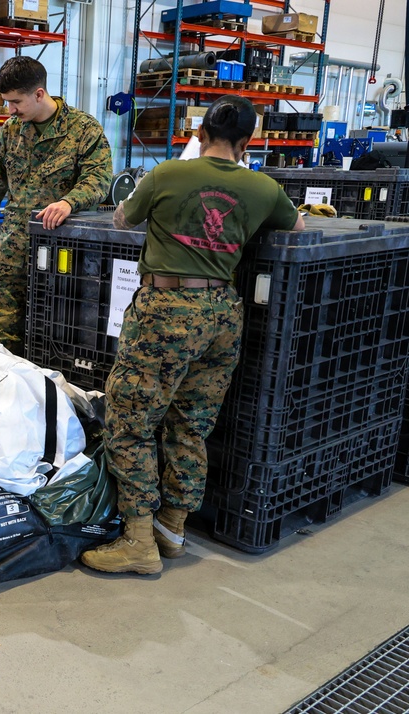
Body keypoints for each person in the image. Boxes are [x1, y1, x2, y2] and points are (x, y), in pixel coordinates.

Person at [80, 96, 305, 575]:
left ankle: (138, 541)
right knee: (191, 423)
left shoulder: (165, 175)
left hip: (166, 309)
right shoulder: (263, 188)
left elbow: (124, 219)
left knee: (131, 421)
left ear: (198, 134)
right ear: (247, 144)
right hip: (223, 313)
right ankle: (173, 528)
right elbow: (299, 224)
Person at [0, 56, 113, 355]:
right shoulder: (9, 132)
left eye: (16, 102)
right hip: (15, 239)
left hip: (64, 242)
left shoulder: (83, 129)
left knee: (60, 312)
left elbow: (99, 179)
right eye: (7, 102)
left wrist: (69, 201)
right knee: (4, 309)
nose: (11, 110)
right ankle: (15, 369)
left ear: (39, 94)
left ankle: (55, 370)